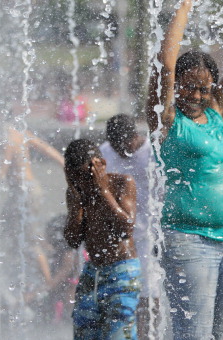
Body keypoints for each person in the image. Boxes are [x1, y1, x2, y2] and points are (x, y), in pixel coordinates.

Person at [146, 0, 223, 340]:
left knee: (217, 334)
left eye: (203, 88)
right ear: (175, 86)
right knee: (192, 334)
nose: (195, 94)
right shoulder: (166, 121)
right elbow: (166, 62)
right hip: (189, 239)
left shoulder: (216, 114)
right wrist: (185, 4)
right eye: (187, 86)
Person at [63, 139, 140, 339]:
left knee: (118, 333)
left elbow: (126, 228)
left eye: (86, 175)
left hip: (122, 271)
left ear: (101, 165)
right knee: (84, 331)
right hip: (92, 273)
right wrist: (77, 206)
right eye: (76, 177)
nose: (82, 182)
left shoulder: (122, 183)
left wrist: (103, 190)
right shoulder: (76, 191)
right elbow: (72, 241)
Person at [100, 114, 160, 339]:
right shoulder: (105, 152)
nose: (118, 151)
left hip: (149, 236)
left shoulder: (152, 153)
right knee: (117, 293)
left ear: (134, 136)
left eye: (122, 145)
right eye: (114, 146)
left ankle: (148, 335)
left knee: (148, 293)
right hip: (118, 237)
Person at [28, 214, 79, 322]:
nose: (47, 236)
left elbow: (52, 283)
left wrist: (31, 296)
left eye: (49, 233)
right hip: (68, 303)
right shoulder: (70, 252)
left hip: (70, 304)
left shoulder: (69, 256)